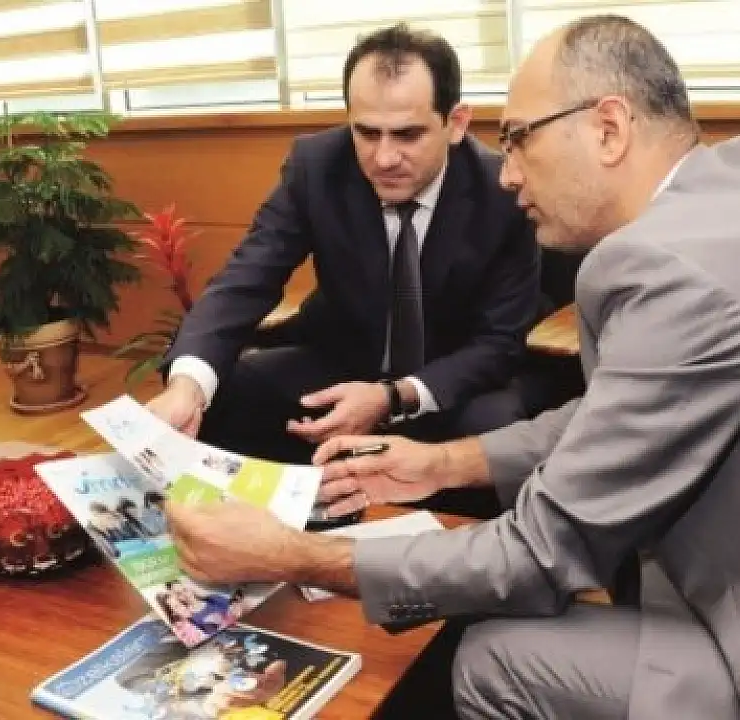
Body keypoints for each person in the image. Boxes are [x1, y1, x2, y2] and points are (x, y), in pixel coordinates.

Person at [156, 14, 740, 720]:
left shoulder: (672, 266)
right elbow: (636, 410)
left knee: (497, 656)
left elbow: (538, 555)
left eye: (518, 140)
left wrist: (295, 554)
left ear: (608, 128)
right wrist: (443, 463)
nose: (506, 174)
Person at [145, 24, 543, 510]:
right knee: (216, 390)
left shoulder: (502, 191)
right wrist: (187, 387)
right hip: (341, 362)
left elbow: (498, 343)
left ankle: (451, 548)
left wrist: (393, 397)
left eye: (408, 134)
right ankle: (271, 527)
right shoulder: (317, 166)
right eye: (366, 132)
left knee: (497, 431)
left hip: (449, 381)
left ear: (456, 123)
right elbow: (246, 278)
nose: (384, 157)